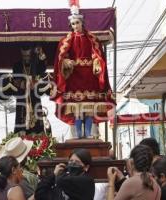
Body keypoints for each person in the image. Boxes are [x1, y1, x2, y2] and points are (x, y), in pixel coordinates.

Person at [51, 2, 115, 139]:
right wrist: (66, 62)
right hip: (74, 77)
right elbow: (60, 59)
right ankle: (79, 136)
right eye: (73, 24)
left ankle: (89, 134)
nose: (75, 26)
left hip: (89, 77)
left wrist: (97, 63)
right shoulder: (66, 40)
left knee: (90, 108)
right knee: (77, 109)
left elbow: (97, 55)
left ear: (82, 23)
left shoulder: (92, 39)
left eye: (77, 23)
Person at [12, 46, 47, 135]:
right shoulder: (17, 65)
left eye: (28, 56)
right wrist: (22, 83)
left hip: (34, 94)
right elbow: (15, 79)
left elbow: (43, 69)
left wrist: (41, 54)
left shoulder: (35, 64)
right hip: (22, 95)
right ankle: (22, 132)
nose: (26, 58)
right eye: (24, 56)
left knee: (36, 111)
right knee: (21, 112)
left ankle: (37, 132)